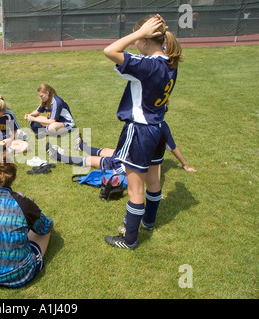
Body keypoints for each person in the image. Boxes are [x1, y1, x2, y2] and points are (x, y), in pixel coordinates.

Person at [102, 14, 183, 249]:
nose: (135, 43)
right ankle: (148, 221)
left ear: (146, 40)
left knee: (135, 190)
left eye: (139, 40)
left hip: (139, 131)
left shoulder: (146, 65)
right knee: (154, 181)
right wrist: (145, 34)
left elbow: (110, 50)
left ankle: (130, 239)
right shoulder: (170, 61)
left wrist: (139, 32)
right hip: (158, 129)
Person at [0, 158, 53, 288]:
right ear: (14, 178)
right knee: (44, 226)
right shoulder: (25, 204)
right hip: (18, 275)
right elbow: (45, 227)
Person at [47, 121, 196, 172]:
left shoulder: (149, 125)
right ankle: (81, 146)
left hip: (129, 165)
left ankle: (58, 156)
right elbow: (172, 148)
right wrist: (184, 164)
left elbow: (155, 165)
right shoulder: (161, 125)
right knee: (107, 151)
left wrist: (154, 191)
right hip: (130, 157)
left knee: (91, 160)